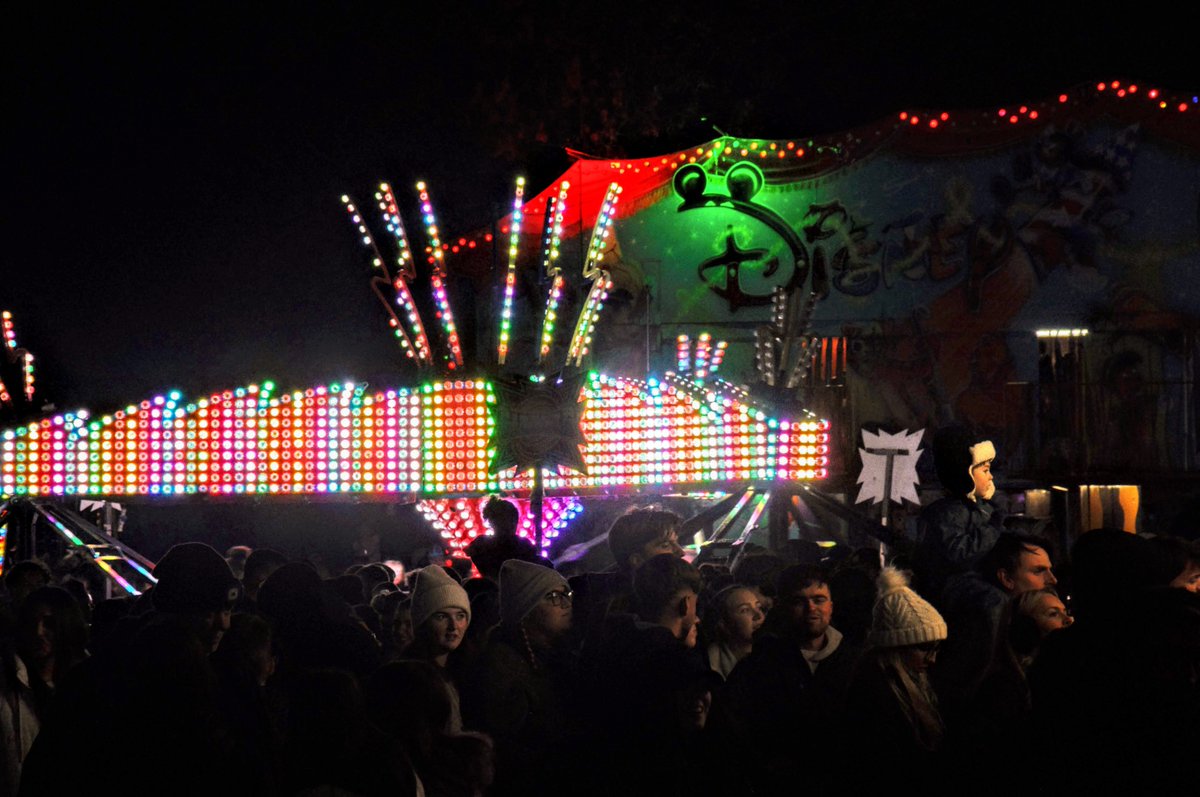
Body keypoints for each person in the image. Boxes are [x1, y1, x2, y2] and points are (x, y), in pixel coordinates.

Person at [463, 560, 576, 796]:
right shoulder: (500, 667)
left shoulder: (555, 657)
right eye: (553, 596)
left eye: (566, 594)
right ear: (526, 608)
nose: (565, 604)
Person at [844, 567, 948, 787]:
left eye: (937, 648)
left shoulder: (913, 683)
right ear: (896, 647)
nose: (933, 659)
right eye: (924, 647)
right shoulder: (876, 694)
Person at [915, 425, 1006, 603]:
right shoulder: (947, 513)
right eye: (985, 470)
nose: (990, 477)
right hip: (957, 598)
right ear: (966, 474)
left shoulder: (983, 507)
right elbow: (960, 553)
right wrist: (994, 528)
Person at [702, 584, 765, 678]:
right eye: (745, 610)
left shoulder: (778, 655)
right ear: (723, 624)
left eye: (758, 607)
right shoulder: (710, 668)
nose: (758, 615)